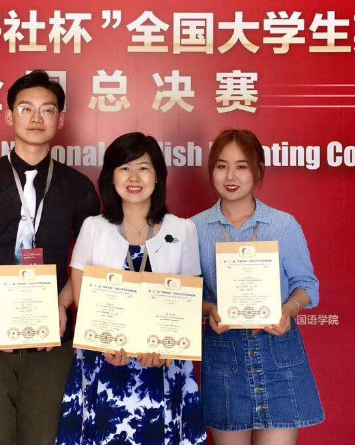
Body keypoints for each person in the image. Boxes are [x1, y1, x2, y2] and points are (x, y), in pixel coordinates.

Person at [0, 70, 100, 445]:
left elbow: (91, 260)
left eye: (47, 109)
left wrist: (63, 304)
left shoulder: (78, 188)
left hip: (52, 339)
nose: (36, 117)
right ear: (9, 115)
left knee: (45, 438)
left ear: (61, 119)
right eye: (26, 108)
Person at [55, 132, 206, 445]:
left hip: (165, 367)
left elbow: (189, 302)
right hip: (103, 363)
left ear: (158, 176)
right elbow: (82, 297)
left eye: (144, 168)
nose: (134, 177)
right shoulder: (93, 227)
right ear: (111, 177)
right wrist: (105, 343)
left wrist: (167, 349)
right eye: (124, 168)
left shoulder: (183, 229)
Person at [191, 129, 324, 445]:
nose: (230, 176)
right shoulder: (193, 229)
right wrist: (209, 309)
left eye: (242, 166)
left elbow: (307, 286)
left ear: (258, 170)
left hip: (278, 352)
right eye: (222, 166)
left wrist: (287, 310)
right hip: (224, 356)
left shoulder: (283, 225)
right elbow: (187, 294)